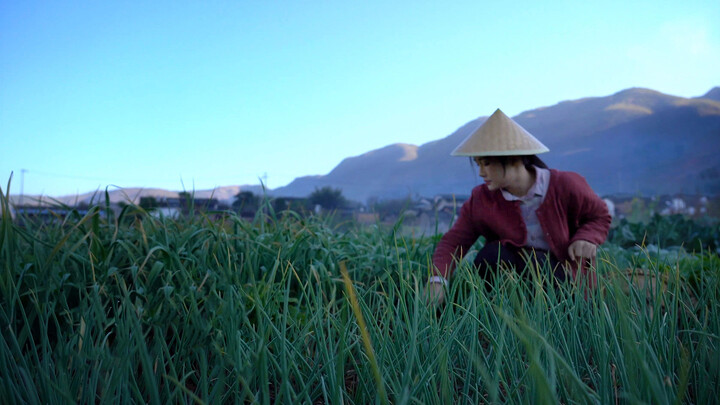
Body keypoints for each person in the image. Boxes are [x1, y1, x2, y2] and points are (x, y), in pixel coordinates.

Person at [426, 109, 611, 304]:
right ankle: (500, 315)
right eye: (478, 164)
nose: (481, 172)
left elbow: (599, 216)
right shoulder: (481, 199)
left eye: (487, 163)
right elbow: (454, 242)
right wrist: (438, 280)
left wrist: (587, 238)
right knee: (492, 255)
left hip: (564, 277)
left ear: (514, 159)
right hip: (517, 277)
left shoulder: (565, 184)